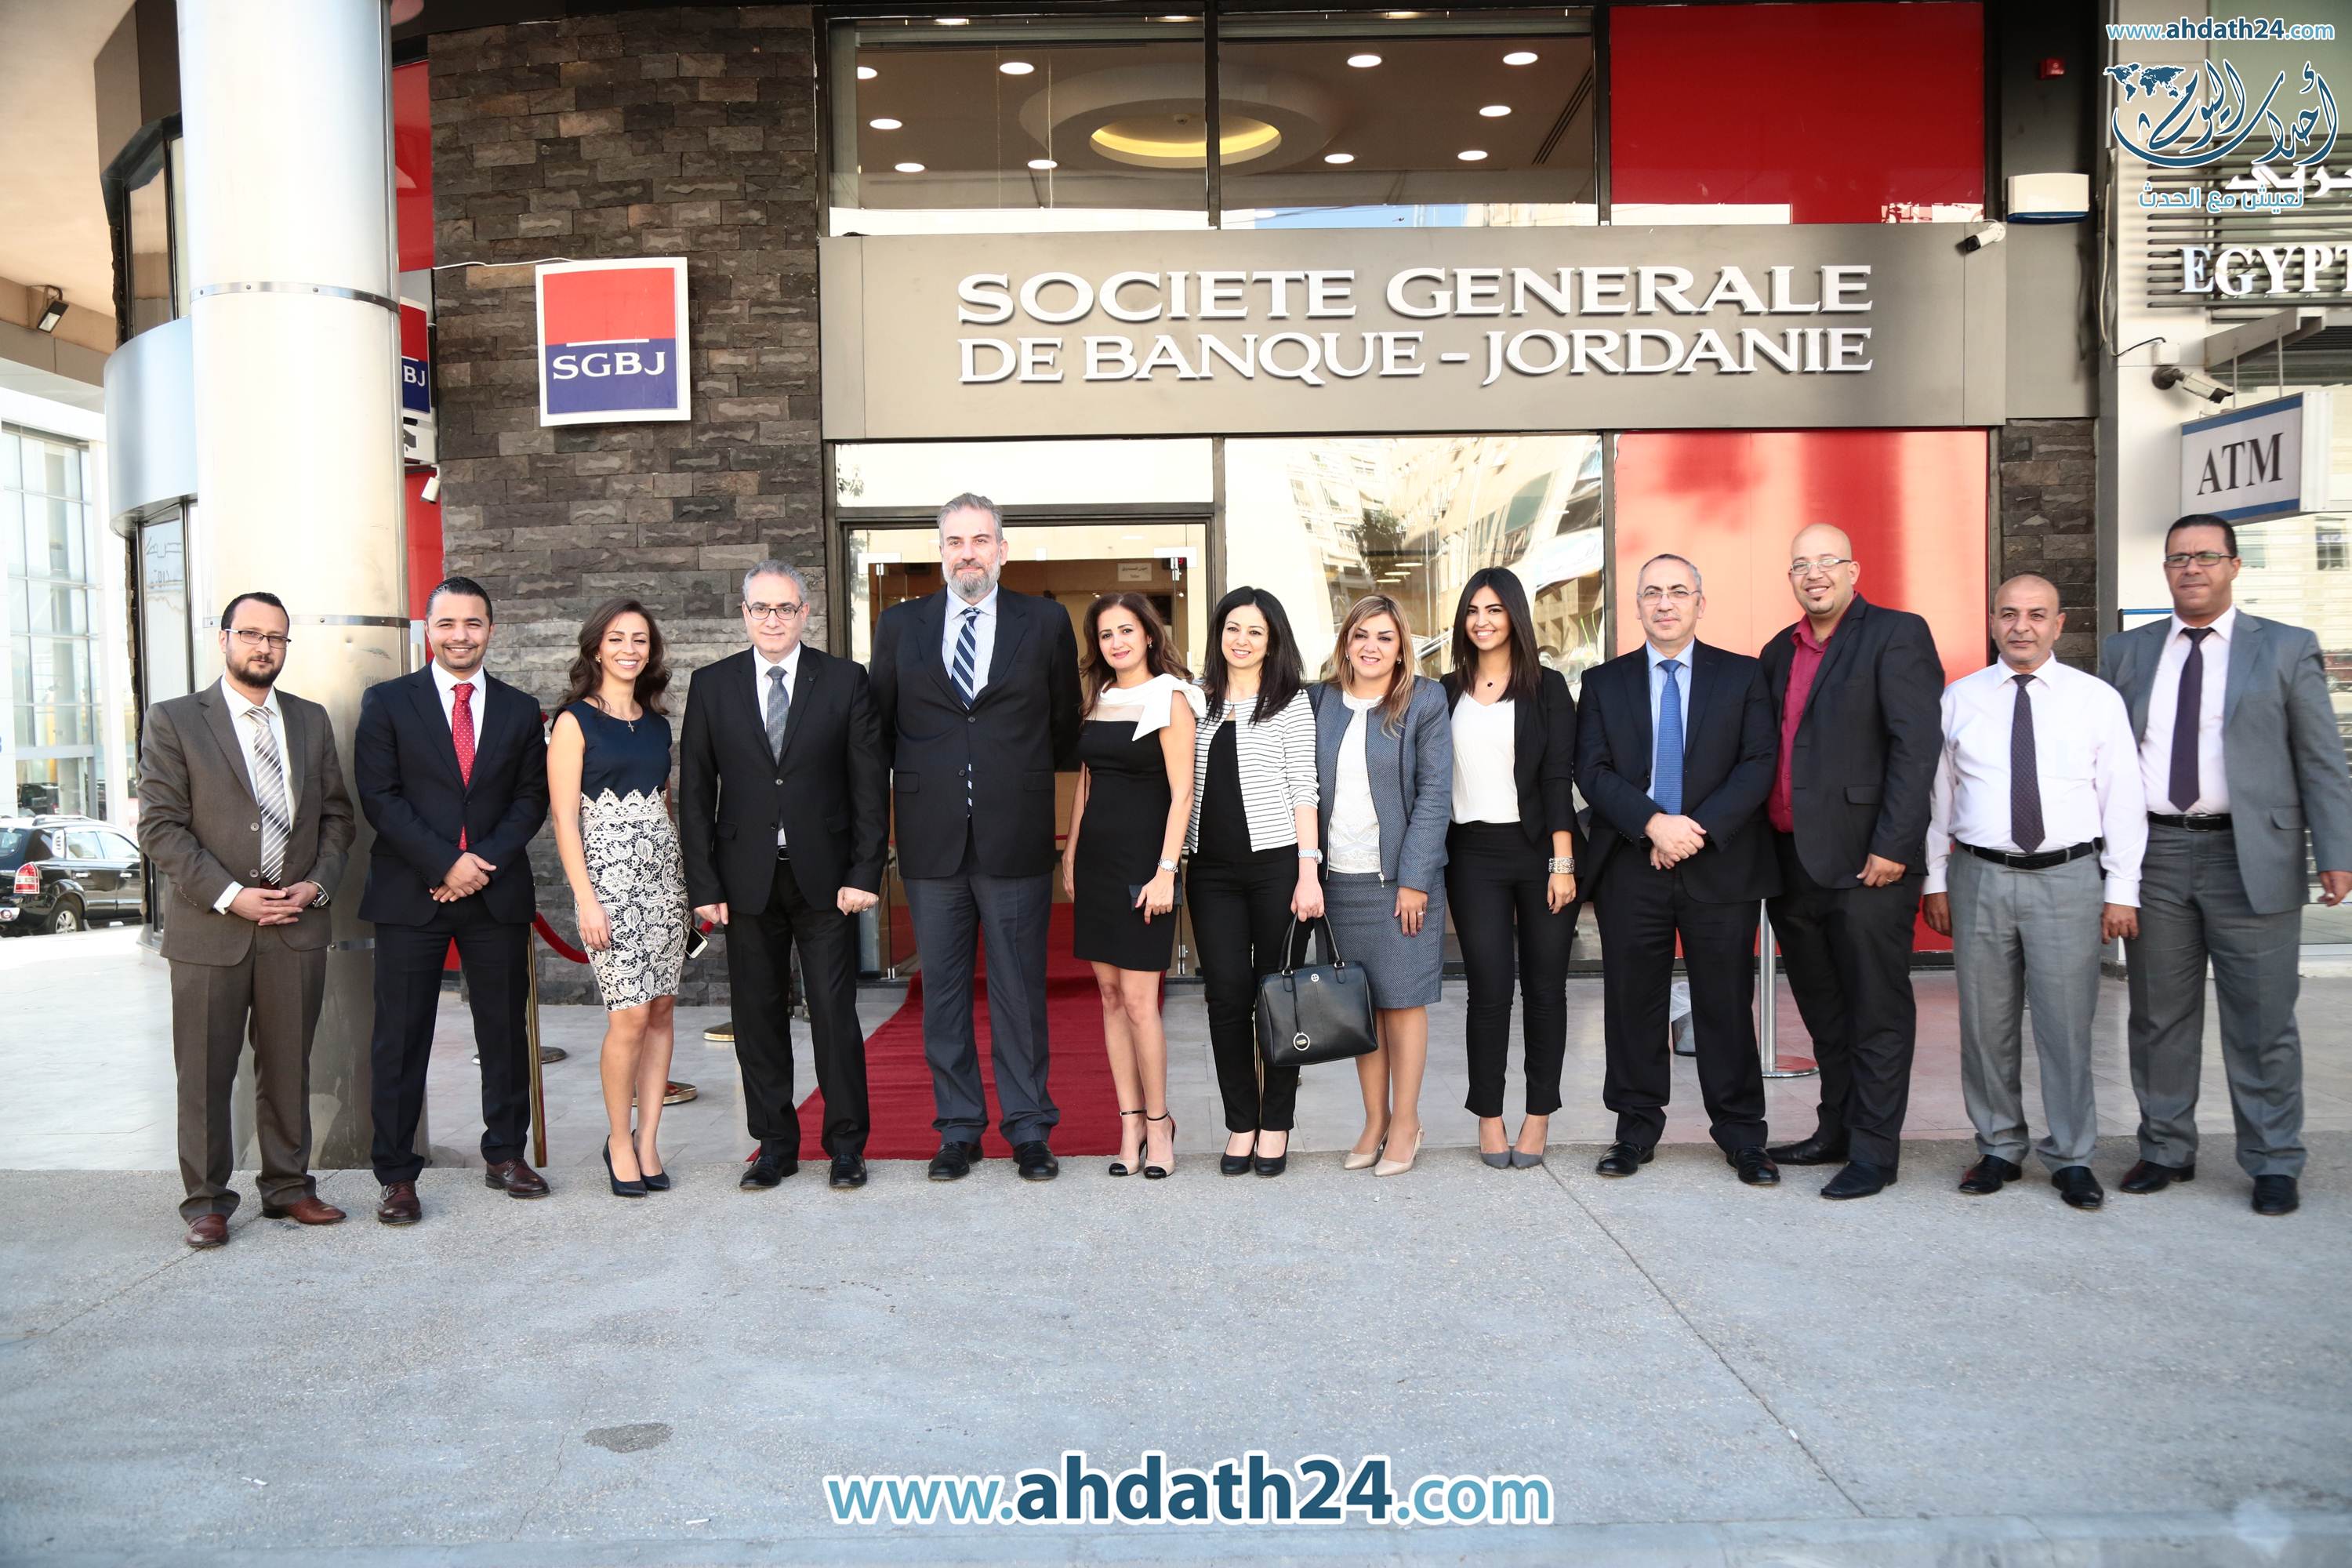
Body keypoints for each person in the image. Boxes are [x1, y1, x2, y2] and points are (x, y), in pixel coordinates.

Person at [2100, 515, 2352, 1218]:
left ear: (2235, 566)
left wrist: (2337, 851)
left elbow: (2321, 758)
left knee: (2263, 1020)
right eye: (2178, 558)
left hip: (2253, 855)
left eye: (2206, 556)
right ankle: (2165, 1149)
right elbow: (2104, 759)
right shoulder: (2127, 651)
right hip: (2156, 854)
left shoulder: (2286, 646)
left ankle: (2273, 1160)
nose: (2191, 568)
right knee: (2158, 1016)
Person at [870, 495, 1082, 1182]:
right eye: (956, 541)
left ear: (1002, 550)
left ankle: (1029, 1129)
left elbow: (1063, 723)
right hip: (931, 839)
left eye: (981, 540)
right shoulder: (900, 625)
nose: (969, 553)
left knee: (1020, 992)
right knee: (943, 995)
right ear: (941, 552)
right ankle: (958, 1130)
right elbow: (881, 727)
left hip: (1015, 834)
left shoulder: (1044, 622)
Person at [137, 592, 357, 1249]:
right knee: (206, 1073)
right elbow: (160, 827)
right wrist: (231, 894)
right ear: (225, 638)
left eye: (277, 638)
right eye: (252, 634)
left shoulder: (310, 720)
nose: (265, 647)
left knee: (288, 1066)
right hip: (211, 929)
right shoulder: (175, 720)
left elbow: (337, 818)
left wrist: (317, 886)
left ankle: (288, 1187)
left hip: (295, 925)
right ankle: (206, 1201)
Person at [1923, 573, 2144, 1211]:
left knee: (2067, 1026)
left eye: (2037, 615)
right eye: (2009, 614)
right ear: (1993, 621)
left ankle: (2072, 1156)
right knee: (1984, 1025)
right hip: (1980, 877)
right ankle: (1998, 1146)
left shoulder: (2095, 700)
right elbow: (1938, 799)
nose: (2022, 626)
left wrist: (2122, 889)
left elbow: (2122, 798)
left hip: (2069, 878)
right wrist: (1935, 878)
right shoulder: (1959, 699)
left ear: (2059, 624)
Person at [1575, 553, 1780, 1185]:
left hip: (1718, 862)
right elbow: (1593, 770)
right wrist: (1652, 824)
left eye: (1678, 592)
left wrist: (1692, 831)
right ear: (1637, 606)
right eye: (1652, 593)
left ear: (1700, 603)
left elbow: (1758, 764)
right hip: (1632, 865)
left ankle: (1743, 1135)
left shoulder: (1742, 676)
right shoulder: (1603, 682)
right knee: (1632, 1001)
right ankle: (1634, 1130)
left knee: (1725, 1001)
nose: (1665, 603)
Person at [681, 561, 888, 1191]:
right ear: (745, 614)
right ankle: (774, 1146)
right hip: (744, 881)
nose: (773, 619)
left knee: (833, 1013)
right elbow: (695, 793)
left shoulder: (845, 681)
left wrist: (865, 871)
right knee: (757, 1016)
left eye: (785, 608)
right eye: (761, 608)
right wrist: (704, 886)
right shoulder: (712, 685)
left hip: (827, 881)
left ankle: (846, 1146)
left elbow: (868, 786)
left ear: (805, 613)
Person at [354, 576, 551, 1225]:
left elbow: (531, 798)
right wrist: (444, 863)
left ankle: (506, 1154)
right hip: (412, 894)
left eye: (472, 623)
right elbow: (380, 797)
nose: (460, 635)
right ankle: (396, 1176)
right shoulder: (388, 702)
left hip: (494, 893)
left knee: (504, 1032)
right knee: (401, 1038)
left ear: (490, 629)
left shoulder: (521, 710)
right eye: (447, 623)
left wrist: (477, 865)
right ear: (428, 630)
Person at [1758, 525, 1944, 1200]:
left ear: (1853, 570)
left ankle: (1873, 1152)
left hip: (1870, 865)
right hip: (1793, 864)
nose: (1814, 574)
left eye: (1827, 561)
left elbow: (1916, 748)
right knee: (1824, 1012)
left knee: (1876, 1013)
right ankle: (1834, 1130)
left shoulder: (1896, 634)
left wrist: (1894, 845)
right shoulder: (1777, 651)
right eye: (1801, 564)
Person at [1440, 569, 1579, 1171]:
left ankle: (1539, 1114)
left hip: (1541, 852)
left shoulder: (1547, 688)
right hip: (1473, 855)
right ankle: (1489, 1116)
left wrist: (1562, 862)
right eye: (1473, 610)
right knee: (1489, 990)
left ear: (1514, 616)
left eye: (1495, 609)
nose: (1483, 621)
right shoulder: (1444, 692)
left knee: (1545, 989)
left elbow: (1557, 779)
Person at [548, 599, 688, 1198]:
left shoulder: (658, 726)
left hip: (665, 885)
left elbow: (665, 807)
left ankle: (649, 1139)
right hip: (608, 887)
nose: (629, 649)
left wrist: (685, 891)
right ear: (596, 648)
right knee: (628, 1016)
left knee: (661, 1011)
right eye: (617, 638)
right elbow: (563, 819)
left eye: (640, 639)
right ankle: (618, 1140)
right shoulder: (574, 722)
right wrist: (586, 900)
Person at [1062, 593, 1202, 1179]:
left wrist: (1167, 870)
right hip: (1097, 863)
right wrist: (1072, 851)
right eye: (1105, 634)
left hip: (1146, 866)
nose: (1116, 642)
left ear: (1148, 634)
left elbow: (1182, 792)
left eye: (1126, 630)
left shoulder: (1172, 697)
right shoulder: (1098, 698)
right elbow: (1087, 781)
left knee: (1142, 1002)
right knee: (1111, 997)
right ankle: (1130, 1123)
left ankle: (1161, 1122)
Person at [1186, 586, 1324, 1178]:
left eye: (1255, 631)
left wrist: (1308, 872)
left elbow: (1304, 787)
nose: (1241, 640)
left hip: (1277, 869)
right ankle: (1240, 1122)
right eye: (1233, 628)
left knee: (1279, 997)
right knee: (1226, 997)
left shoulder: (1290, 703)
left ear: (1272, 642)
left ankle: (1277, 1122)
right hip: (1210, 871)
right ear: (1219, 634)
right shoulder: (1198, 701)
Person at [1312, 593, 1451, 1178]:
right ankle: (1375, 1120)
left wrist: (1415, 879)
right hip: (1338, 882)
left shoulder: (1424, 701)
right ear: (1346, 643)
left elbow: (1435, 795)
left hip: (1399, 884)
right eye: (1361, 635)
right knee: (1360, 1007)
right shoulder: (1319, 700)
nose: (1371, 646)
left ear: (1401, 649)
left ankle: (1407, 1121)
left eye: (1385, 637)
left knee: (1403, 1002)